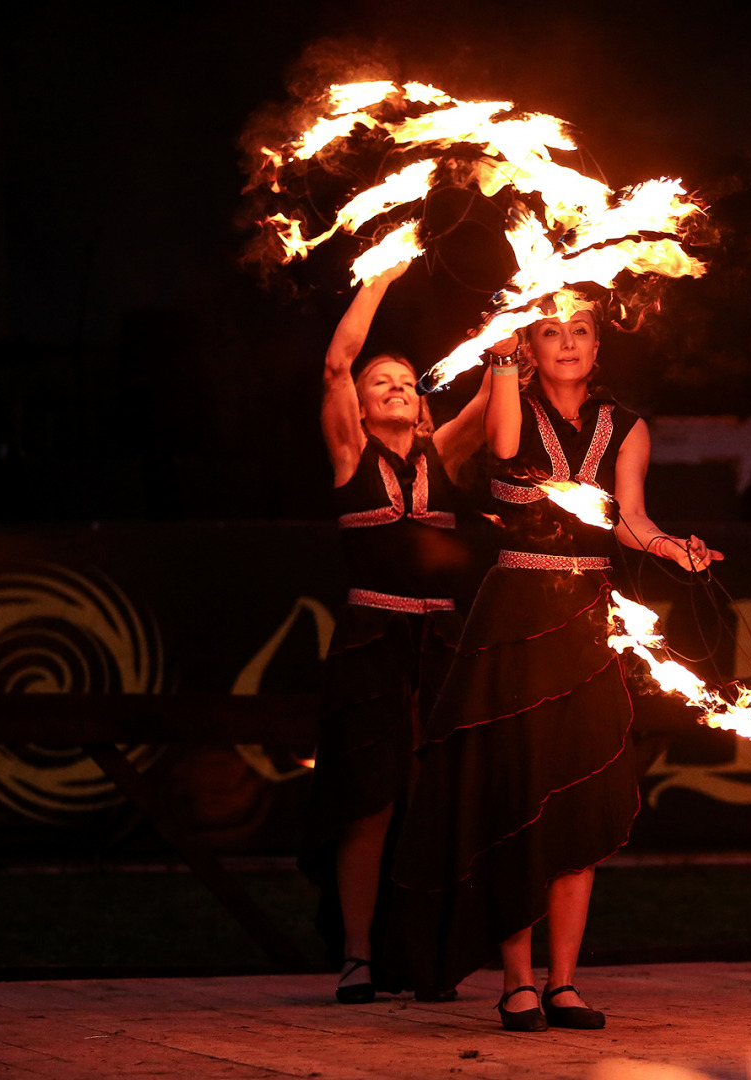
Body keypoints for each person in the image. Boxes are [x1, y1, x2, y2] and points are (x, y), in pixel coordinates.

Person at [392, 297, 720, 1030]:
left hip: (586, 622)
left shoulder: (627, 427)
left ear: (599, 347)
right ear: (531, 347)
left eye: (579, 332)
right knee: (514, 794)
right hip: (515, 616)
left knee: (581, 790)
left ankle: (564, 981)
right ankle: (517, 982)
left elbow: (631, 521)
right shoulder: (512, 402)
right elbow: (504, 449)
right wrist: (503, 357)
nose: (566, 343)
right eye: (551, 332)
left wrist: (675, 549)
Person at [302, 260, 492, 1004]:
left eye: (407, 382)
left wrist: (527, 310)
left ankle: (427, 953)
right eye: (381, 381)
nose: (393, 387)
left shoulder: (442, 454)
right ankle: (356, 954)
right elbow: (335, 362)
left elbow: (492, 393)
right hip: (371, 643)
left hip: (440, 648)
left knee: (436, 802)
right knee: (369, 800)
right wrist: (380, 276)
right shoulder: (351, 455)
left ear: (420, 405)